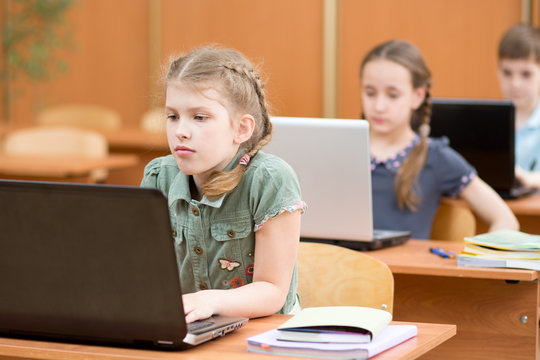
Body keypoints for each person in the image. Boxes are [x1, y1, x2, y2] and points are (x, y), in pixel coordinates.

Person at [140, 47, 305, 323]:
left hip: (264, 335)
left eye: (200, 117)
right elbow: (142, 270)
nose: (181, 130)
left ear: (241, 129)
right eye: (172, 116)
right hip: (189, 332)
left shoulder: (270, 179)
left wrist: (209, 300)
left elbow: (273, 291)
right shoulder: (158, 176)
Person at [360, 40, 519, 239]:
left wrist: (477, 259)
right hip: (338, 266)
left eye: (392, 95)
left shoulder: (436, 157)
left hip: (403, 270)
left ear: (418, 96)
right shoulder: (341, 151)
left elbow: (505, 219)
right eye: (370, 93)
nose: (379, 106)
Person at [497, 23, 540, 188]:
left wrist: (528, 178)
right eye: (507, 73)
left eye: (526, 74)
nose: (515, 84)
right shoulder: (487, 122)